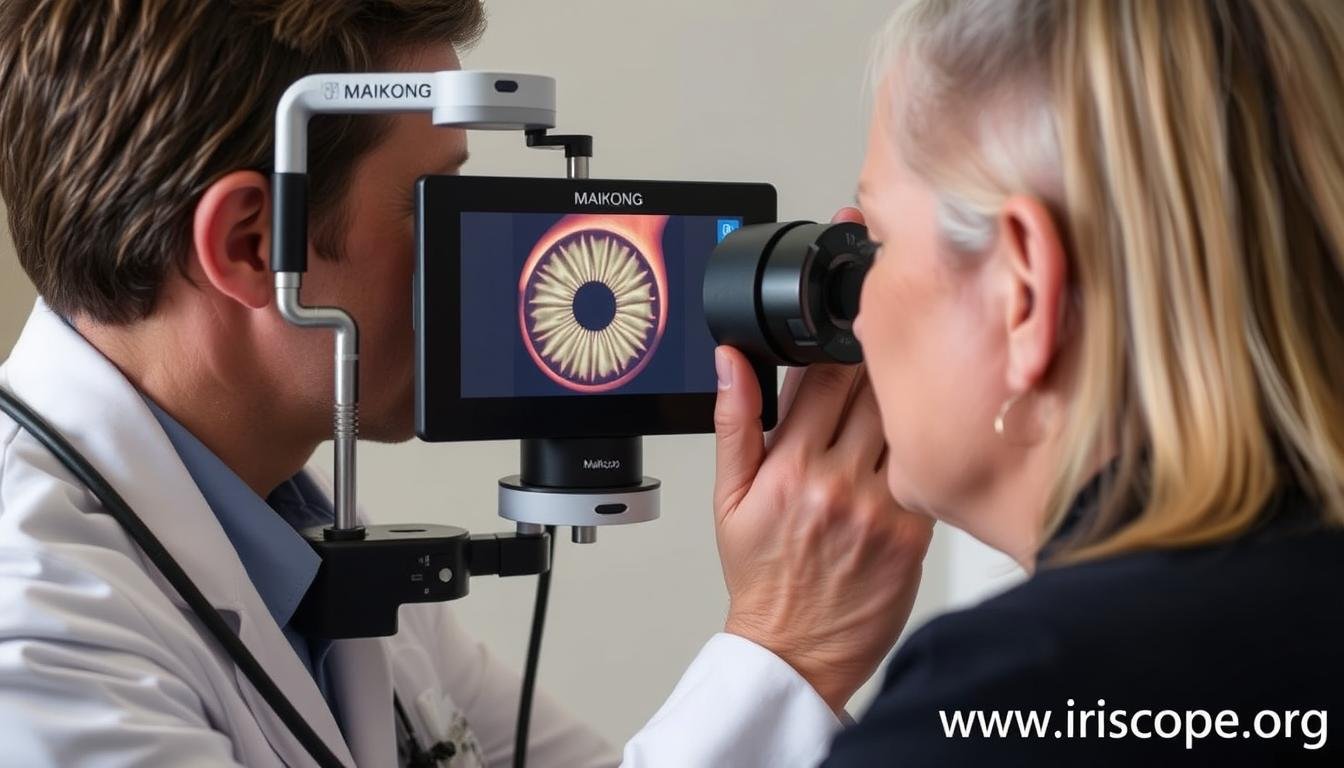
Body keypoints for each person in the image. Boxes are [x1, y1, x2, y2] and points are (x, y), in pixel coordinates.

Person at [0, 2, 929, 766]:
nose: (482, 258)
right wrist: (781, 648)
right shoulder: (39, 637)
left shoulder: (309, 550)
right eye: (432, 205)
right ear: (254, 244)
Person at [772, 0, 1337, 763]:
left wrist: (777, 646)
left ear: (1023, 289)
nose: (859, 323)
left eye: (877, 243)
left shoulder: (1004, 702)